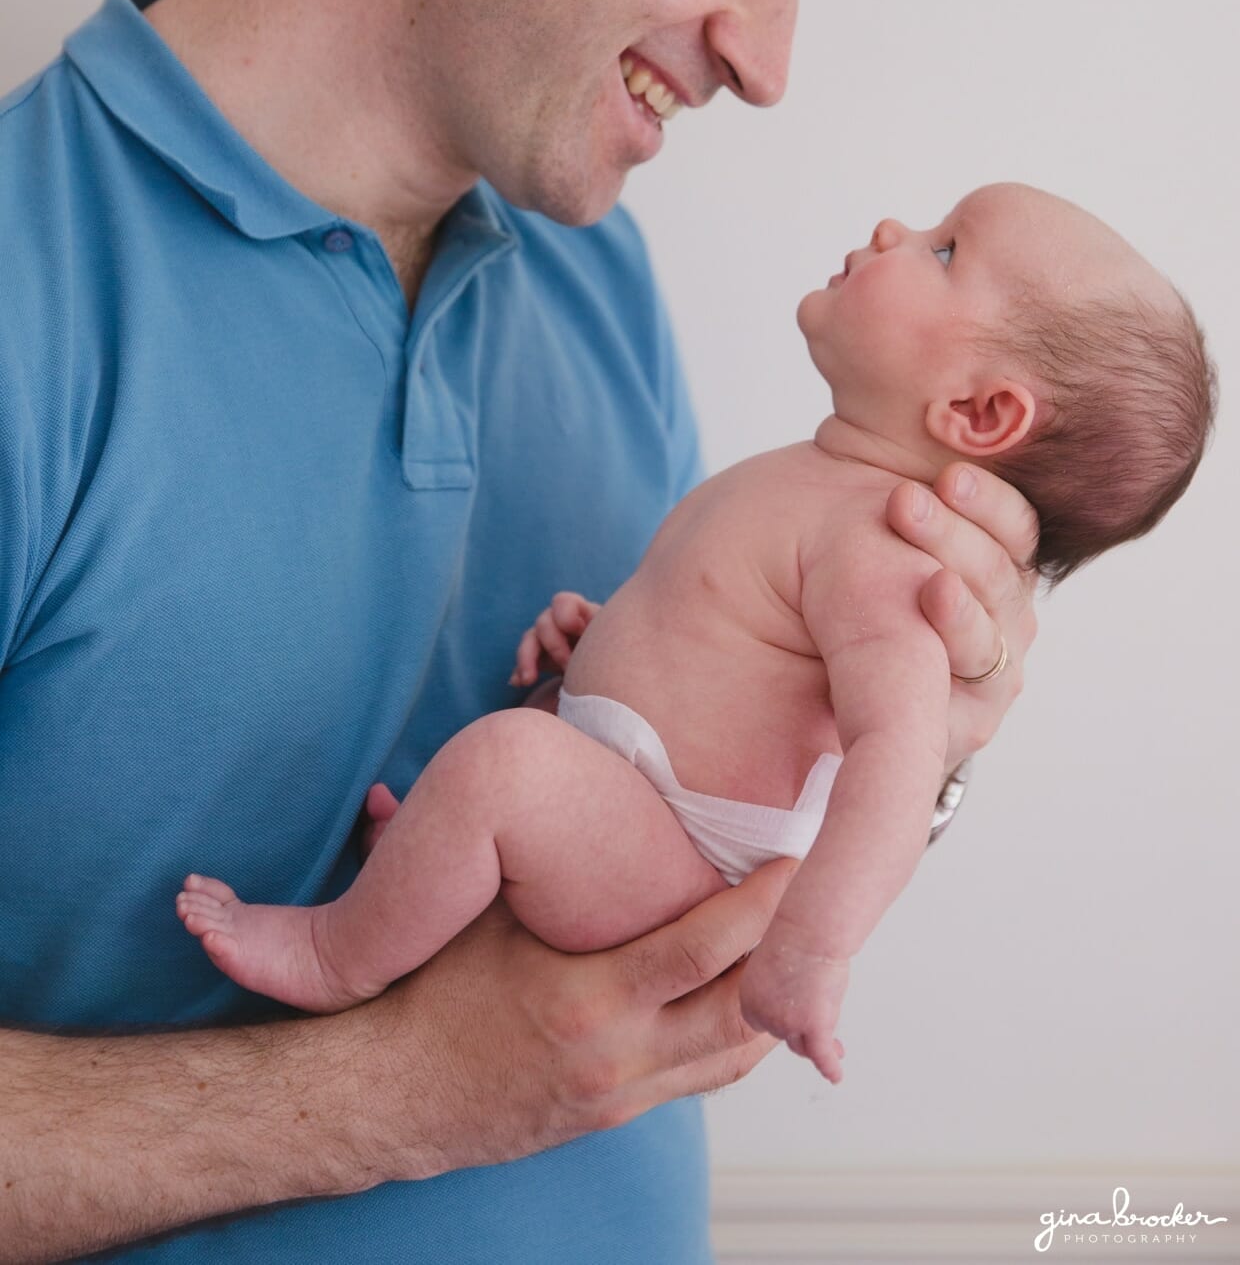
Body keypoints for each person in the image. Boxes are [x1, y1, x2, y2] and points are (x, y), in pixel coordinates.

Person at [0, 0, 1042, 1265]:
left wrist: (927, 735)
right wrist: (395, 1092)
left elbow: (680, 864)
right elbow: (499, 1058)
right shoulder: (32, 289)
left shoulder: (597, 271)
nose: (769, 66)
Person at [173, 183, 1215, 1079]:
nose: (898, 226)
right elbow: (726, 635)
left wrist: (814, 944)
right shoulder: (818, 482)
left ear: (978, 416)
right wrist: (614, 633)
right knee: (514, 764)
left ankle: (334, 956)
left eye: (944, 250)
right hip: (652, 800)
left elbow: (899, 754)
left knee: (502, 767)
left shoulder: (887, 553)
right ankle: (435, 876)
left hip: (684, 852)